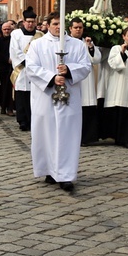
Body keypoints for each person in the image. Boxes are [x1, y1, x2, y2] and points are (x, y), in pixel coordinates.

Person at [25, 11, 92, 192]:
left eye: (60, 24)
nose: (57, 27)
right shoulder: (38, 45)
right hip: (45, 97)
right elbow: (31, 67)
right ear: (47, 25)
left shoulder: (77, 45)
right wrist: (51, 77)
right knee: (46, 133)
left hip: (69, 97)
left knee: (67, 134)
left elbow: (86, 66)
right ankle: (48, 170)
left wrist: (69, 70)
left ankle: (65, 175)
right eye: (54, 23)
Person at [102, 26, 128, 148]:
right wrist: (122, 53)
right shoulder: (116, 48)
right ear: (123, 36)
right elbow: (114, 64)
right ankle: (118, 138)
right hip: (119, 84)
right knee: (120, 112)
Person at [10, 7, 43, 131]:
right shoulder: (16, 34)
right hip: (22, 69)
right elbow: (15, 51)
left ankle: (33, 120)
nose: (30, 24)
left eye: (32, 22)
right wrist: (28, 61)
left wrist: (34, 63)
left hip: (35, 70)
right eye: (28, 21)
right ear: (23, 22)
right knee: (21, 96)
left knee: (33, 96)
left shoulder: (40, 35)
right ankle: (22, 120)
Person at [69, 17, 101, 145]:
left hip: (86, 80)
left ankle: (86, 137)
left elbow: (96, 59)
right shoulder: (67, 43)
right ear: (70, 28)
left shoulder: (86, 43)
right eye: (75, 27)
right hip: (72, 79)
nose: (78, 30)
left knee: (87, 108)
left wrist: (91, 47)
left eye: (80, 28)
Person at [0, 21, 15, 116]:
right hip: (4, 67)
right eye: (5, 29)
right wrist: (6, 59)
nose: (7, 31)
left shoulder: (14, 39)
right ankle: (3, 107)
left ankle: (10, 107)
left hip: (14, 66)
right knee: (4, 87)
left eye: (8, 29)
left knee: (12, 88)